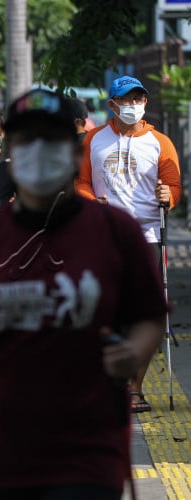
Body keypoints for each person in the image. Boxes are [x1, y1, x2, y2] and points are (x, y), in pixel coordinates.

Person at [0, 88, 166, 500]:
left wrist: (133, 352)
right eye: (26, 140)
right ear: (12, 153)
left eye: (50, 140)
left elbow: (149, 316)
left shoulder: (115, 232)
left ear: (74, 152)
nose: (39, 151)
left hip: (87, 446)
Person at [75, 75, 181, 413]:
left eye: (138, 99)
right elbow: (80, 182)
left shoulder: (161, 142)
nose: (132, 105)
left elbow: (174, 185)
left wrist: (170, 196)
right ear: (112, 104)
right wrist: (90, 200)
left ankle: (134, 390)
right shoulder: (93, 139)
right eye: (126, 99)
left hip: (147, 236)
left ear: (145, 103)